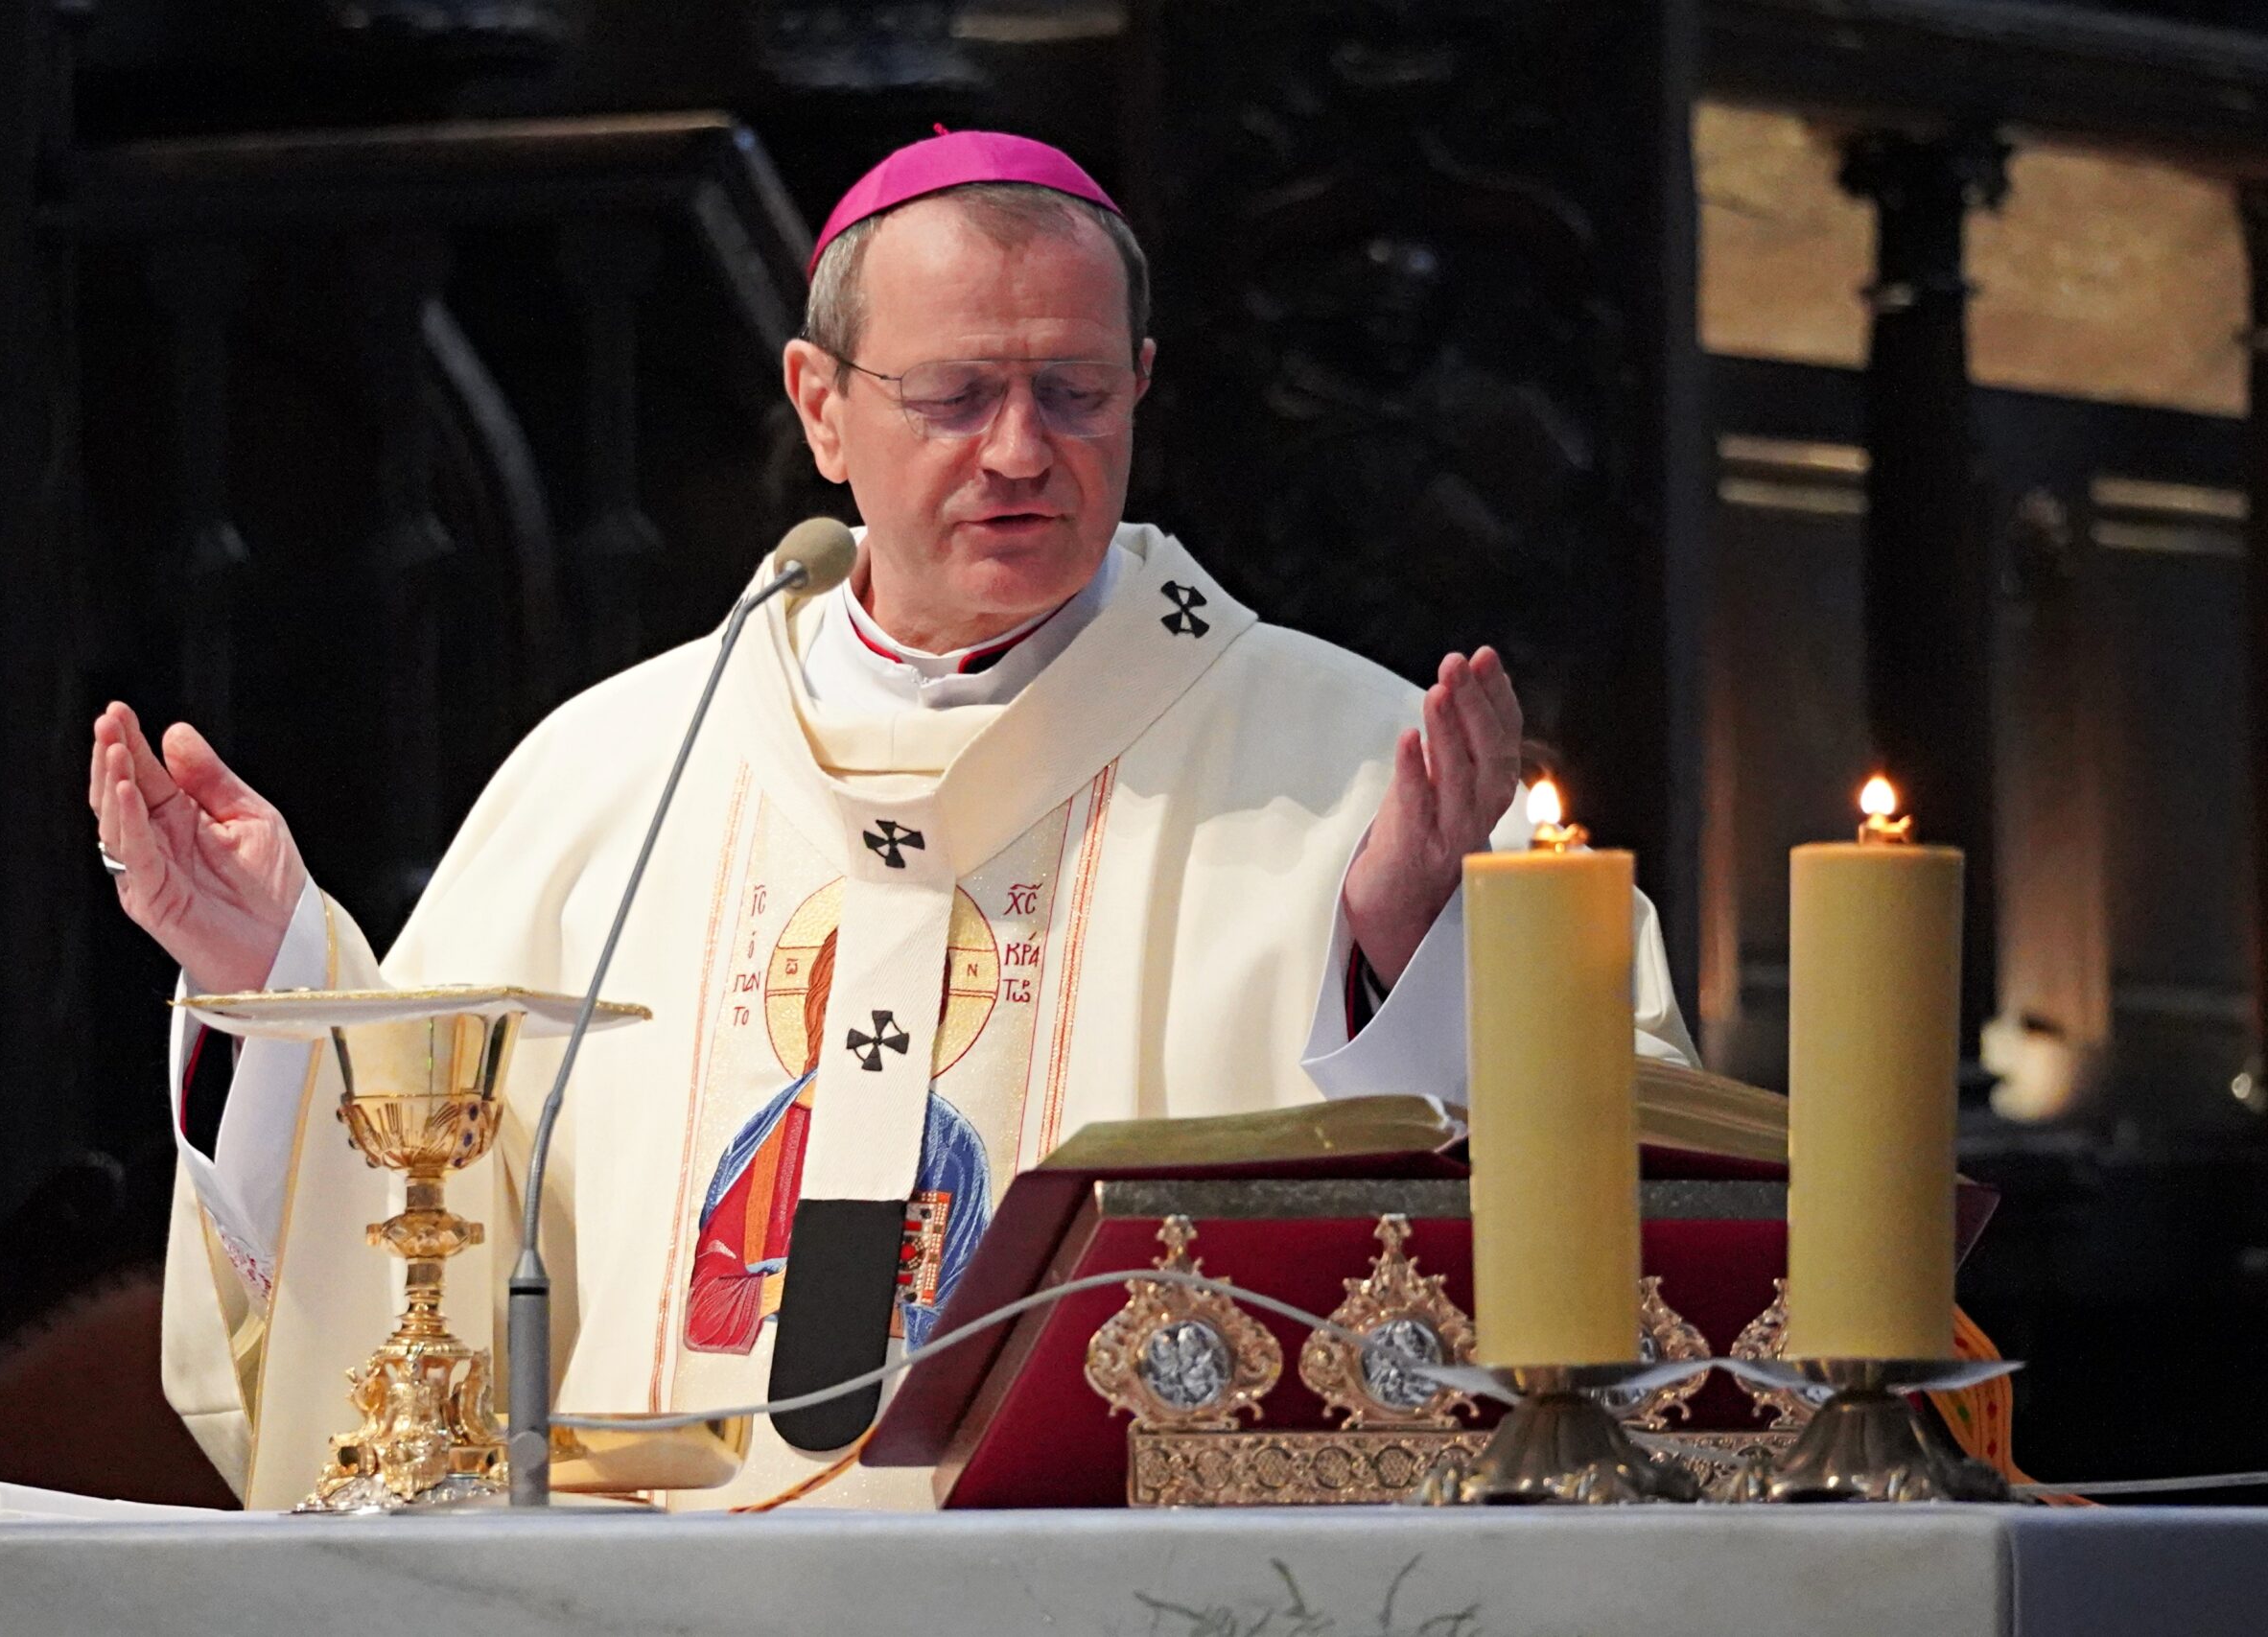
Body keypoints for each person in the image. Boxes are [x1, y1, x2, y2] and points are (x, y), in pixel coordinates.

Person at [90, 130, 1695, 1510]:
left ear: (1142, 384)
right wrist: (282, 990)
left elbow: (1599, 1261)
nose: (1019, 450)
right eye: (952, 394)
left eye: (1072, 390)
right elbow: (428, 1239)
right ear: (820, 405)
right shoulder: (620, 774)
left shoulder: (1348, 761)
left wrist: (1404, 953)